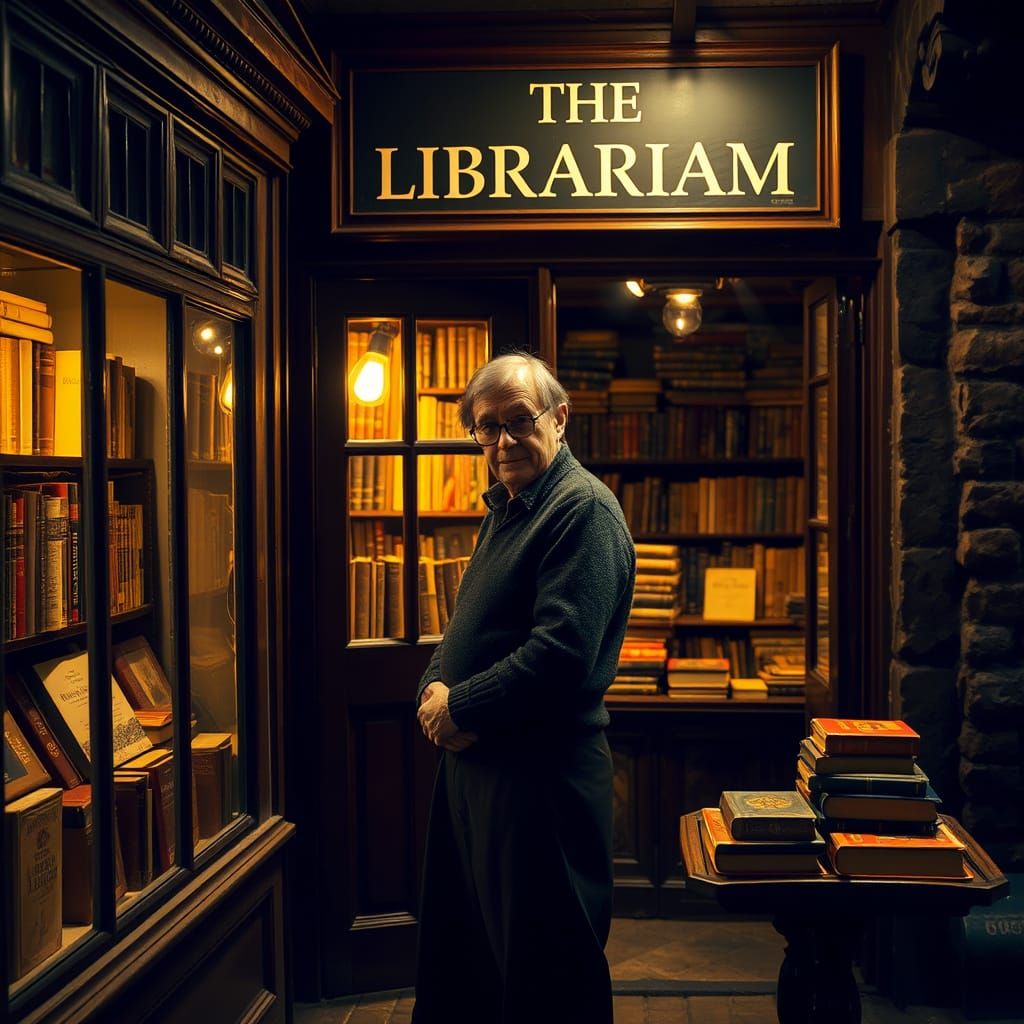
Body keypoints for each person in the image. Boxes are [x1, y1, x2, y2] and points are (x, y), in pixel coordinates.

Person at [413, 351, 636, 1024]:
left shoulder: (582, 511)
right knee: (476, 972)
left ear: (559, 418)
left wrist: (463, 705)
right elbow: (468, 627)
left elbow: (560, 656)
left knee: (547, 980)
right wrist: (434, 694)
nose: (503, 440)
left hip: (541, 784)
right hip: (484, 774)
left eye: (519, 420)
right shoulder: (511, 506)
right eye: (488, 427)